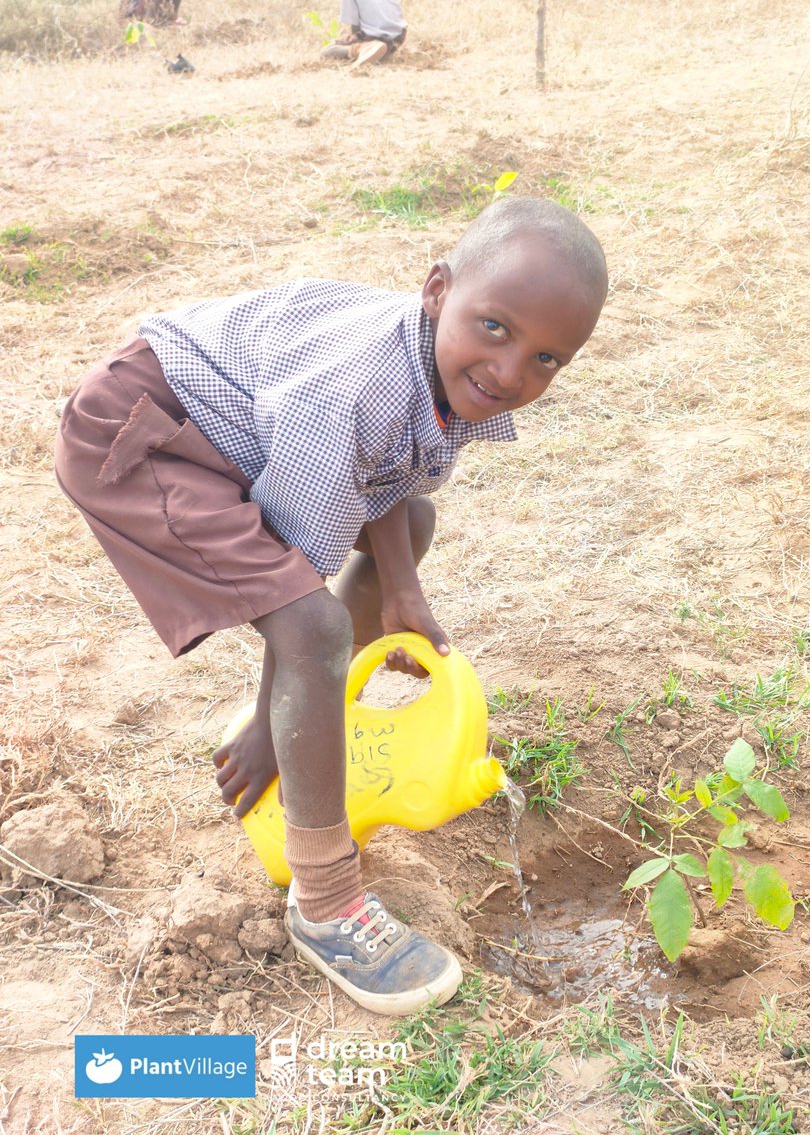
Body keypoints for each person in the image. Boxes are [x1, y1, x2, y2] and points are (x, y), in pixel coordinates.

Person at [54, 198, 609, 1017]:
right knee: (315, 623)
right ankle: (325, 902)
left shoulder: (428, 364)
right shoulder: (356, 389)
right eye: (496, 328)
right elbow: (300, 582)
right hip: (139, 436)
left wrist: (405, 589)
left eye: (548, 359)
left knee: (410, 521)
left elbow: (384, 477)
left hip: (215, 423)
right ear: (436, 290)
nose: (512, 374)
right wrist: (265, 723)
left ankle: (296, 717)